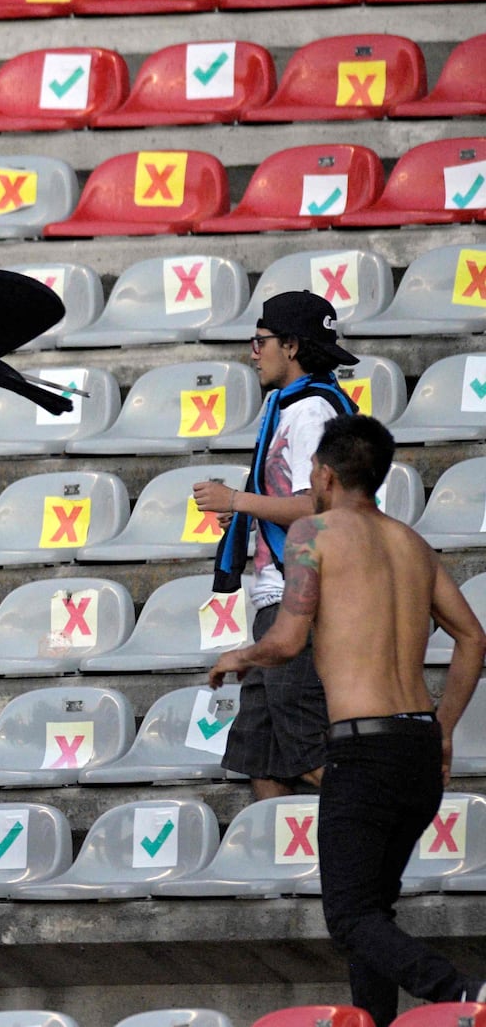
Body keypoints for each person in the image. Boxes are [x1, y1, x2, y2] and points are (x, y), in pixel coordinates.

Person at [210, 415, 486, 1026]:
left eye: (312, 472)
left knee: (350, 917)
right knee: (372, 914)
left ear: (326, 475)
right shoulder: (412, 544)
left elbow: (286, 641)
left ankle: (464, 992)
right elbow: (473, 638)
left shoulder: (312, 533)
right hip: (417, 746)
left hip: (363, 751)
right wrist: (443, 728)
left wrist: (239, 655)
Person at [193, 291, 361, 800]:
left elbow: (319, 508)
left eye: (259, 341)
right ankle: (281, 855)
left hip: (304, 598)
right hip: (275, 595)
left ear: (291, 346)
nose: (253, 352)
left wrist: (238, 500)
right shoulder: (285, 405)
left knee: (308, 752)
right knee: (261, 755)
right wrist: (246, 509)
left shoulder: (311, 411)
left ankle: (377, 823)